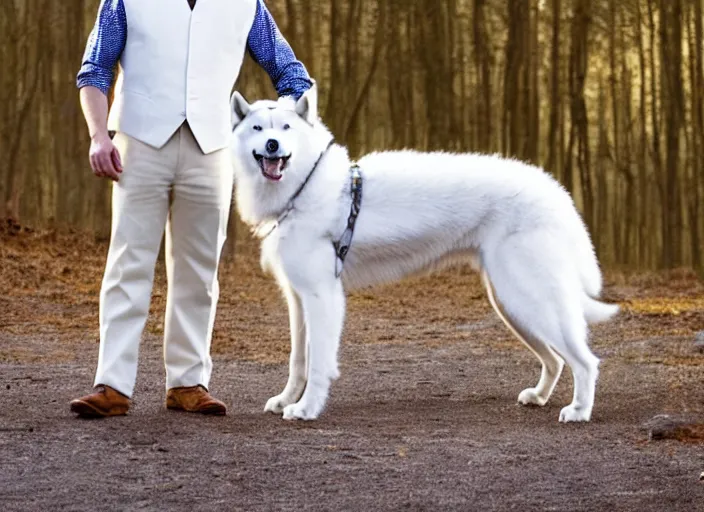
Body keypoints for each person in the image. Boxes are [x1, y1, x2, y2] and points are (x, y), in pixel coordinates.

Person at [70, 0, 313, 418]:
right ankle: (112, 384)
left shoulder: (246, 6)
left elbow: (293, 75)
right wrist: (98, 136)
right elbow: (94, 70)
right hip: (138, 145)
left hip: (213, 149)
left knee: (200, 269)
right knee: (128, 262)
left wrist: (278, 129)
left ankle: (187, 383)